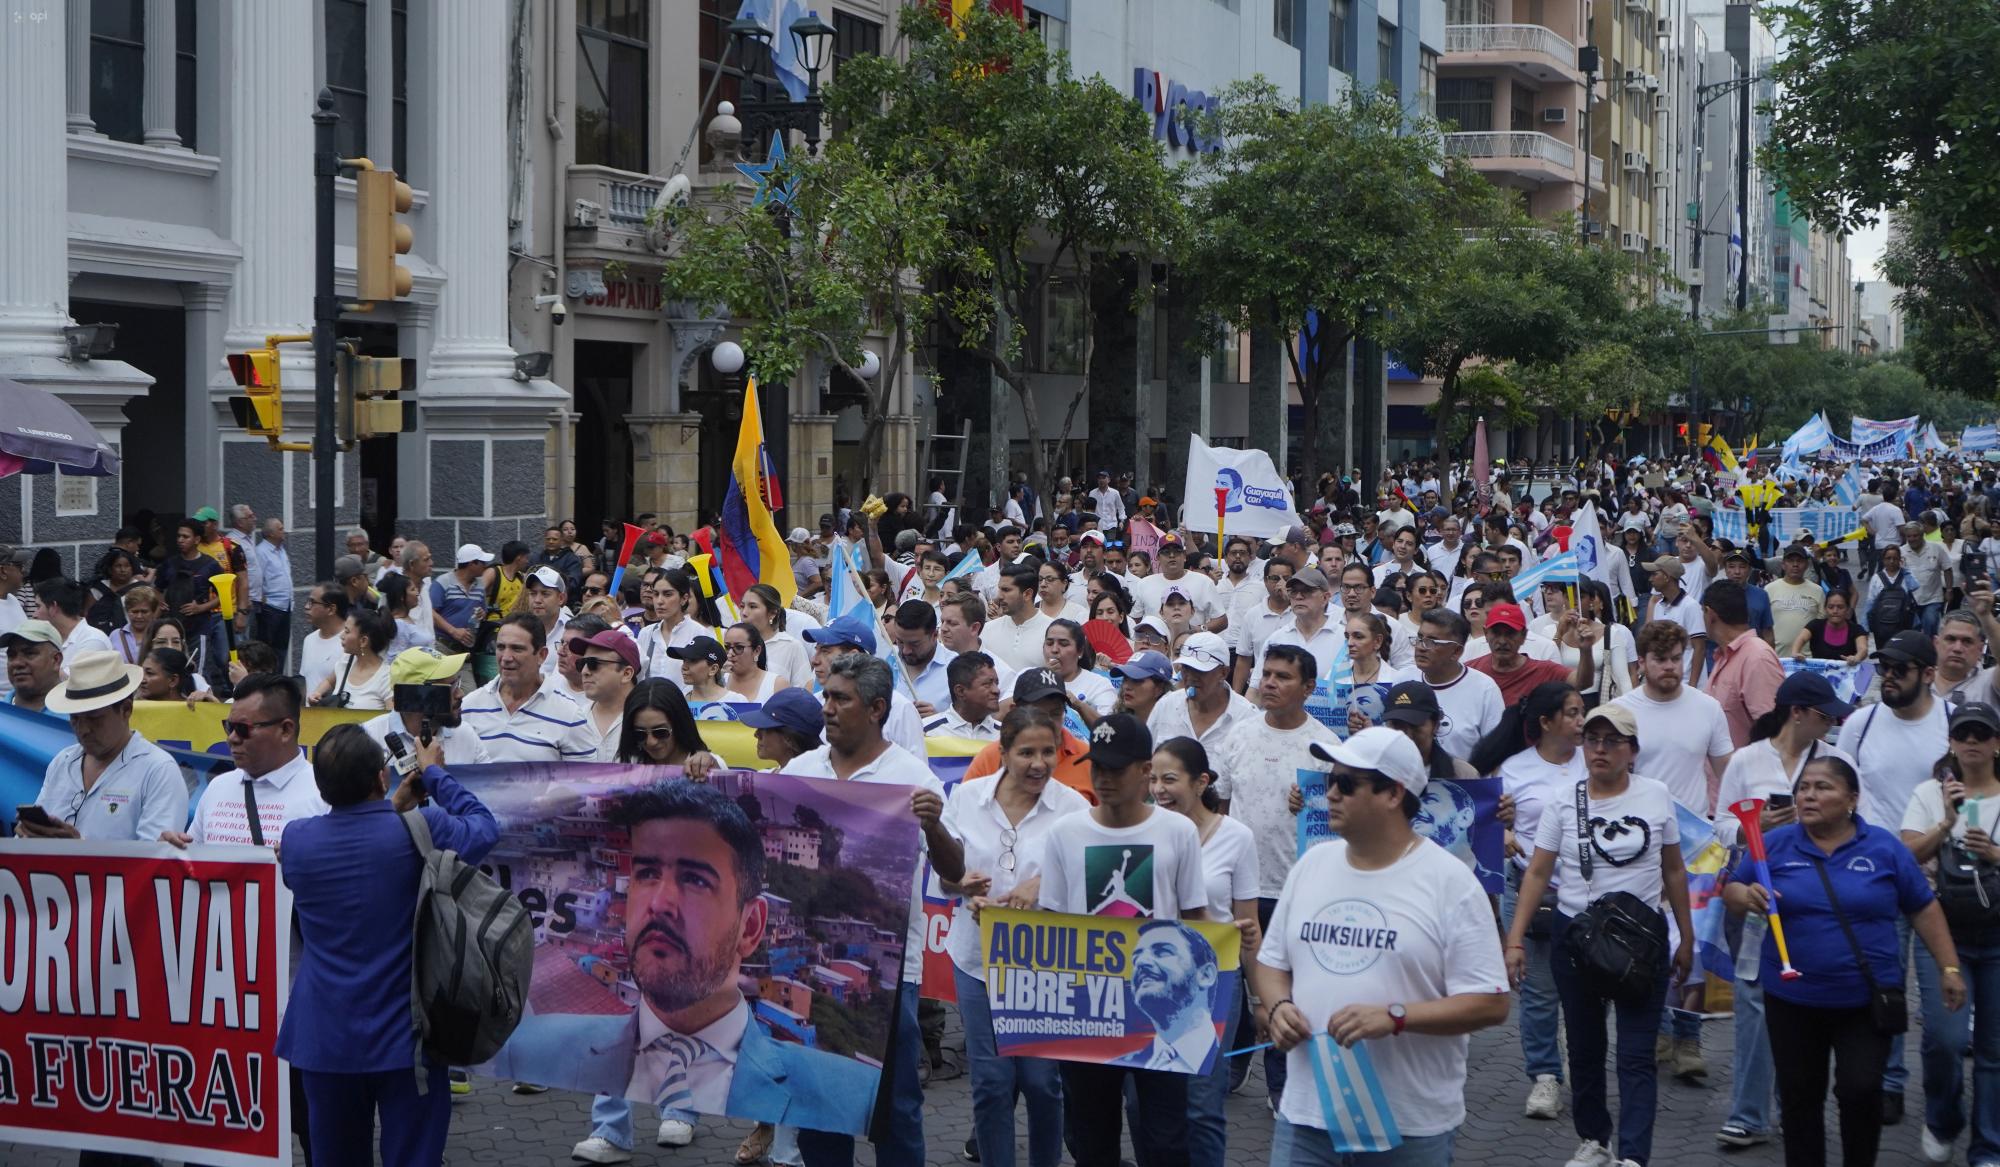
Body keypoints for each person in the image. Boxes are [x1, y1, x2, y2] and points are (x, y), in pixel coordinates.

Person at [486, 780, 882, 1137]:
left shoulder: (852, 1091)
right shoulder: (527, 1048)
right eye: (646, 874)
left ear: (750, 928)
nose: (660, 904)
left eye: (695, 880)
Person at [1256, 726, 1512, 1166]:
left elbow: (1491, 1002)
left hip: (1406, 1125)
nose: (1330, 793)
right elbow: (1272, 964)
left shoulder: (1450, 883)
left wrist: (1395, 1017)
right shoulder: (1312, 864)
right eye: (1329, 781)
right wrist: (1279, 1008)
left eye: (1346, 784)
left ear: (1394, 794)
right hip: (1307, 1116)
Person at [1725, 755, 1965, 1167]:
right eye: (1804, 788)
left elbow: (1923, 908)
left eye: (1823, 787)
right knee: (1800, 1098)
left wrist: (1949, 968)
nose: (1809, 796)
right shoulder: (1777, 844)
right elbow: (1732, 887)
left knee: (1860, 1089)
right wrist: (1746, 898)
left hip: (1865, 999)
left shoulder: (1884, 848)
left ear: (1852, 799)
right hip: (1793, 998)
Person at [276, 723, 497, 1167]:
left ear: (321, 786)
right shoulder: (422, 829)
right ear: (382, 778)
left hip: (324, 1041)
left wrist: (393, 807)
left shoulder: (297, 840)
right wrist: (433, 774)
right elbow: (485, 828)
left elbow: (355, 844)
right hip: (406, 1038)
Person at [784, 653, 960, 1167]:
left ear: (878, 708)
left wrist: (934, 825)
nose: (828, 708)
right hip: (808, 962)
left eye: (842, 699)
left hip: (886, 972)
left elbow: (953, 872)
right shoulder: (802, 769)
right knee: (820, 1105)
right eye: (827, 696)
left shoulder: (910, 776)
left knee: (896, 1109)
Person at [1504, 703, 1694, 1167]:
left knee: (1635, 1055)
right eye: (1592, 740)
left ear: (1632, 751)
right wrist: (1514, 939)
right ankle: (1594, 1141)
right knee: (1586, 1049)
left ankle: (1633, 1155)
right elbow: (1537, 872)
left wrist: (1686, 938)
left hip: (1641, 938)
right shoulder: (1564, 800)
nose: (1601, 750)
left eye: (1613, 741)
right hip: (1579, 935)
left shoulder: (1656, 794)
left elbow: (1673, 868)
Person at [1036, 713, 1203, 1167]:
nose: (1103, 778)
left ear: (1145, 770)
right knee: (1091, 1139)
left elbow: (1195, 920)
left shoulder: (1178, 832)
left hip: (1162, 1012)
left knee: (1167, 1139)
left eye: (1116, 768)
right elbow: (1049, 921)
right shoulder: (1065, 834)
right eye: (1097, 767)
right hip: (1088, 1011)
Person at [1708, 672, 1859, 1149]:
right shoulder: (1748, 759)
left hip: (1816, 897)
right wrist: (1757, 824)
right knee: (1752, 997)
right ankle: (1748, 1113)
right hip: (1756, 894)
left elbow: (1858, 819)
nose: (1832, 721)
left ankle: (1791, 1101)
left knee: (1799, 1002)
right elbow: (1721, 824)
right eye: (1824, 715)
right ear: (1799, 713)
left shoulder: (1838, 762)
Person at [939, 705, 1089, 1167]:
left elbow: (1090, 884)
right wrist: (963, 888)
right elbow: (944, 877)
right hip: (977, 959)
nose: (1039, 763)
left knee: (1043, 1083)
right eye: (1026, 752)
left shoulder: (1074, 807)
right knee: (991, 1083)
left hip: (1045, 965)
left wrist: (1041, 886)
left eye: (1048, 752)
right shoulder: (966, 799)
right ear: (1001, 753)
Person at [1212, 643, 1336, 1105]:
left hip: (1294, 887)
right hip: (1239, 887)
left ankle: (1283, 1086)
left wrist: (1316, 803)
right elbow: (1221, 808)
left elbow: (1339, 822)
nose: (1269, 683)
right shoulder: (1239, 736)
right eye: (1266, 674)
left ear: (1307, 688)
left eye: (1283, 677)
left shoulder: (1326, 746)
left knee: (1283, 992)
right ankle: (1235, 1063)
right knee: (1237, 986)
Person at [1471, 681, 1586, 1122]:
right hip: (1529, 889)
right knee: (1539, 990)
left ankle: (1580, 1056)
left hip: (1587, 892)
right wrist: (1502, 833)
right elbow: (1481, 821)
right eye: (1572, 714)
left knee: (1586, 988)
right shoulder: (1512, 769)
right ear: (1545, 722)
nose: (1580, 722)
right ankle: (1544, 1075)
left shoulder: (1592, 763)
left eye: (1581, 713)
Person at [1149, 736, 1258, 1167]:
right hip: (1151, 981)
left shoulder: (1237, 838)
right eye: (1153, 779)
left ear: (1202, 782)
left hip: (1214, 982)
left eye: (1170, 779)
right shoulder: (1144, 830)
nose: (1158, 789)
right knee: (1148, 1102)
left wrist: (1262, 1000)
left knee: (1201, 1101)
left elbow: (1249, 928)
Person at [1899, 702, 2000, 1167]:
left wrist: (1994, 854)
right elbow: (1906, 857)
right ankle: (1942, 1117)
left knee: (1993, 1050)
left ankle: (1988, 1146)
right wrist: (1945, 821)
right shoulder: (1928, 792)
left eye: (1983, 733)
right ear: (1952, 744)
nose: (1973, 741)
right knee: (1945, 1038)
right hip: (1943, 932)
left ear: (1997, 743)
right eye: (1965, 734)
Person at [16, 650, 187, 843]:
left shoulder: (158, 770)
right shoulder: (62, 763)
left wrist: (80, 848)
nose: (83, 729)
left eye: (94, 718)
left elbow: (152, 863)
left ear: (126, 710)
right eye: (75, 719)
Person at [1612, 620, 1734, 818]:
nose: (1669, 666)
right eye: (1660, 660)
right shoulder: (1620, 712)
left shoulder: (1708, 707)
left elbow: (1728, 773)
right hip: (1640, 830)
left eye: (1676, 659)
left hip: (1696, 836)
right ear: (1641, 662)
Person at [459, 615, 597, 763]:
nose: (506, 657)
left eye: (517, 649)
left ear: (542, 655)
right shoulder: (469, 707)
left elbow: (585, 781)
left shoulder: (569, 715)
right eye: (500, 647)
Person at [357, 646, 491, 767]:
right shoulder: (369, 738)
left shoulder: (465, 734)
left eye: (458, 683)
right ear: (416, 695)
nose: (460, 694)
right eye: (452, 687)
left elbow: (489, 789)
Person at [1701, 580, 1785, 750]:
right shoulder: (1724, 655)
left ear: (1710, 615)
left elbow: (1776, 734)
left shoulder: (1757, 657)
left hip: (1746, 774)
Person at [1147, 632, 1259, 753]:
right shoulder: (1165, 706)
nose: (1190, 676)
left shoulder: (1247, 718)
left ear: (1223, 673)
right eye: (1186, 668)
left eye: (1200, 671)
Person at [1471, 601, 1596, 707]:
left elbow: (1582, 682)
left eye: (1510, 633)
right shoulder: (1471, 671)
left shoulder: (1544, 671)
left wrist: (1586, 650)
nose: (1502, 641)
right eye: (1496, 633)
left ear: (1524, 636)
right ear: (1486, 634)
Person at [573, 628, 642, 758]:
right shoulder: (575, 719)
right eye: (582, 663)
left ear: (626, 674)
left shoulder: (652, 720)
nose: (584, 671)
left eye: (594, 664)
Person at [310, 608, 395, 711]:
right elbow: (329, 680)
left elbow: (392, 719)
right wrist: (317, 693)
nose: (341, 636)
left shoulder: (386, 678)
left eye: (347, 631)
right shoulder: (346, 660)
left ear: (363, 641)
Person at [887, 599, 955, 715]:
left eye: (915, 644)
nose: (906, 651)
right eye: (900, 642)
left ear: (934, 635)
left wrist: (938, 721)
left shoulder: (956, 670)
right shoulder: (885, 659)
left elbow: (971, 724)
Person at [1044, 618, 1112, 726]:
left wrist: (1079, 705)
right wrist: (1041, 678)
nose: (1054, 649)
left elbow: (1109, 730)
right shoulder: (1028, 677)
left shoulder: (1099, 684)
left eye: (1064, 644)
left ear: (1080, 651)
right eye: (1049, 643)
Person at [923, 650, 1003, 739]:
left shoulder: (1005, 736)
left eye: (996, 683)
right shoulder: (927, 732)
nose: (996, 690)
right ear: (960, 691)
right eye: (987, 684)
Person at [430, 543, 492, 657]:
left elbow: (483, 612)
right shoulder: (443, 582)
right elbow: (430, 612)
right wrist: (453, 631)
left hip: (466, 649)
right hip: (442, 647)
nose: (486, 566)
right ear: (472, 564)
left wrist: (482, 615)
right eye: (482, 562)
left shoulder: (480, 585)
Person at [1767, 544, 1826, 652]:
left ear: (1806, 565)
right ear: (1783, 564)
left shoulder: (1817, 591)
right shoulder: (1769, 589)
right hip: (1777, 656)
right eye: (1791, 561)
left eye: (1799, 561)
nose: (1795, 565)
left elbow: (1822, 624)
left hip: (1808, 657)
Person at [298, 583, 351, 697]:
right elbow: (307, 682)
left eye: (312, 603)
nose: (307, 607)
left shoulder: (350, 642)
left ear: (331, 609)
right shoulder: (309, 640)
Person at [1791, 586, 1868, 663]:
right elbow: (1801, 638)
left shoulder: (1856, 629)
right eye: (1831, 607)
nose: (1835, 611)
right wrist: (1795, 652)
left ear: (1847, 609)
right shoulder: (1815, 625)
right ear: (1825, 608)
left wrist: (1856, 658)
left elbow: (1863, 649)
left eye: (1840, 607)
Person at [4, 619, 66, 713]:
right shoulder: (3, 710)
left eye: (29, 653)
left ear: (56, 660)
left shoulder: (79, 716)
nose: (17, 663)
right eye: (12, 655)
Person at [671, 635, 731, 707]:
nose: (684, 667)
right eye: (684, 660)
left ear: (713, 669)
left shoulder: (737, 701)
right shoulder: (678, 702)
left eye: (692, 660)